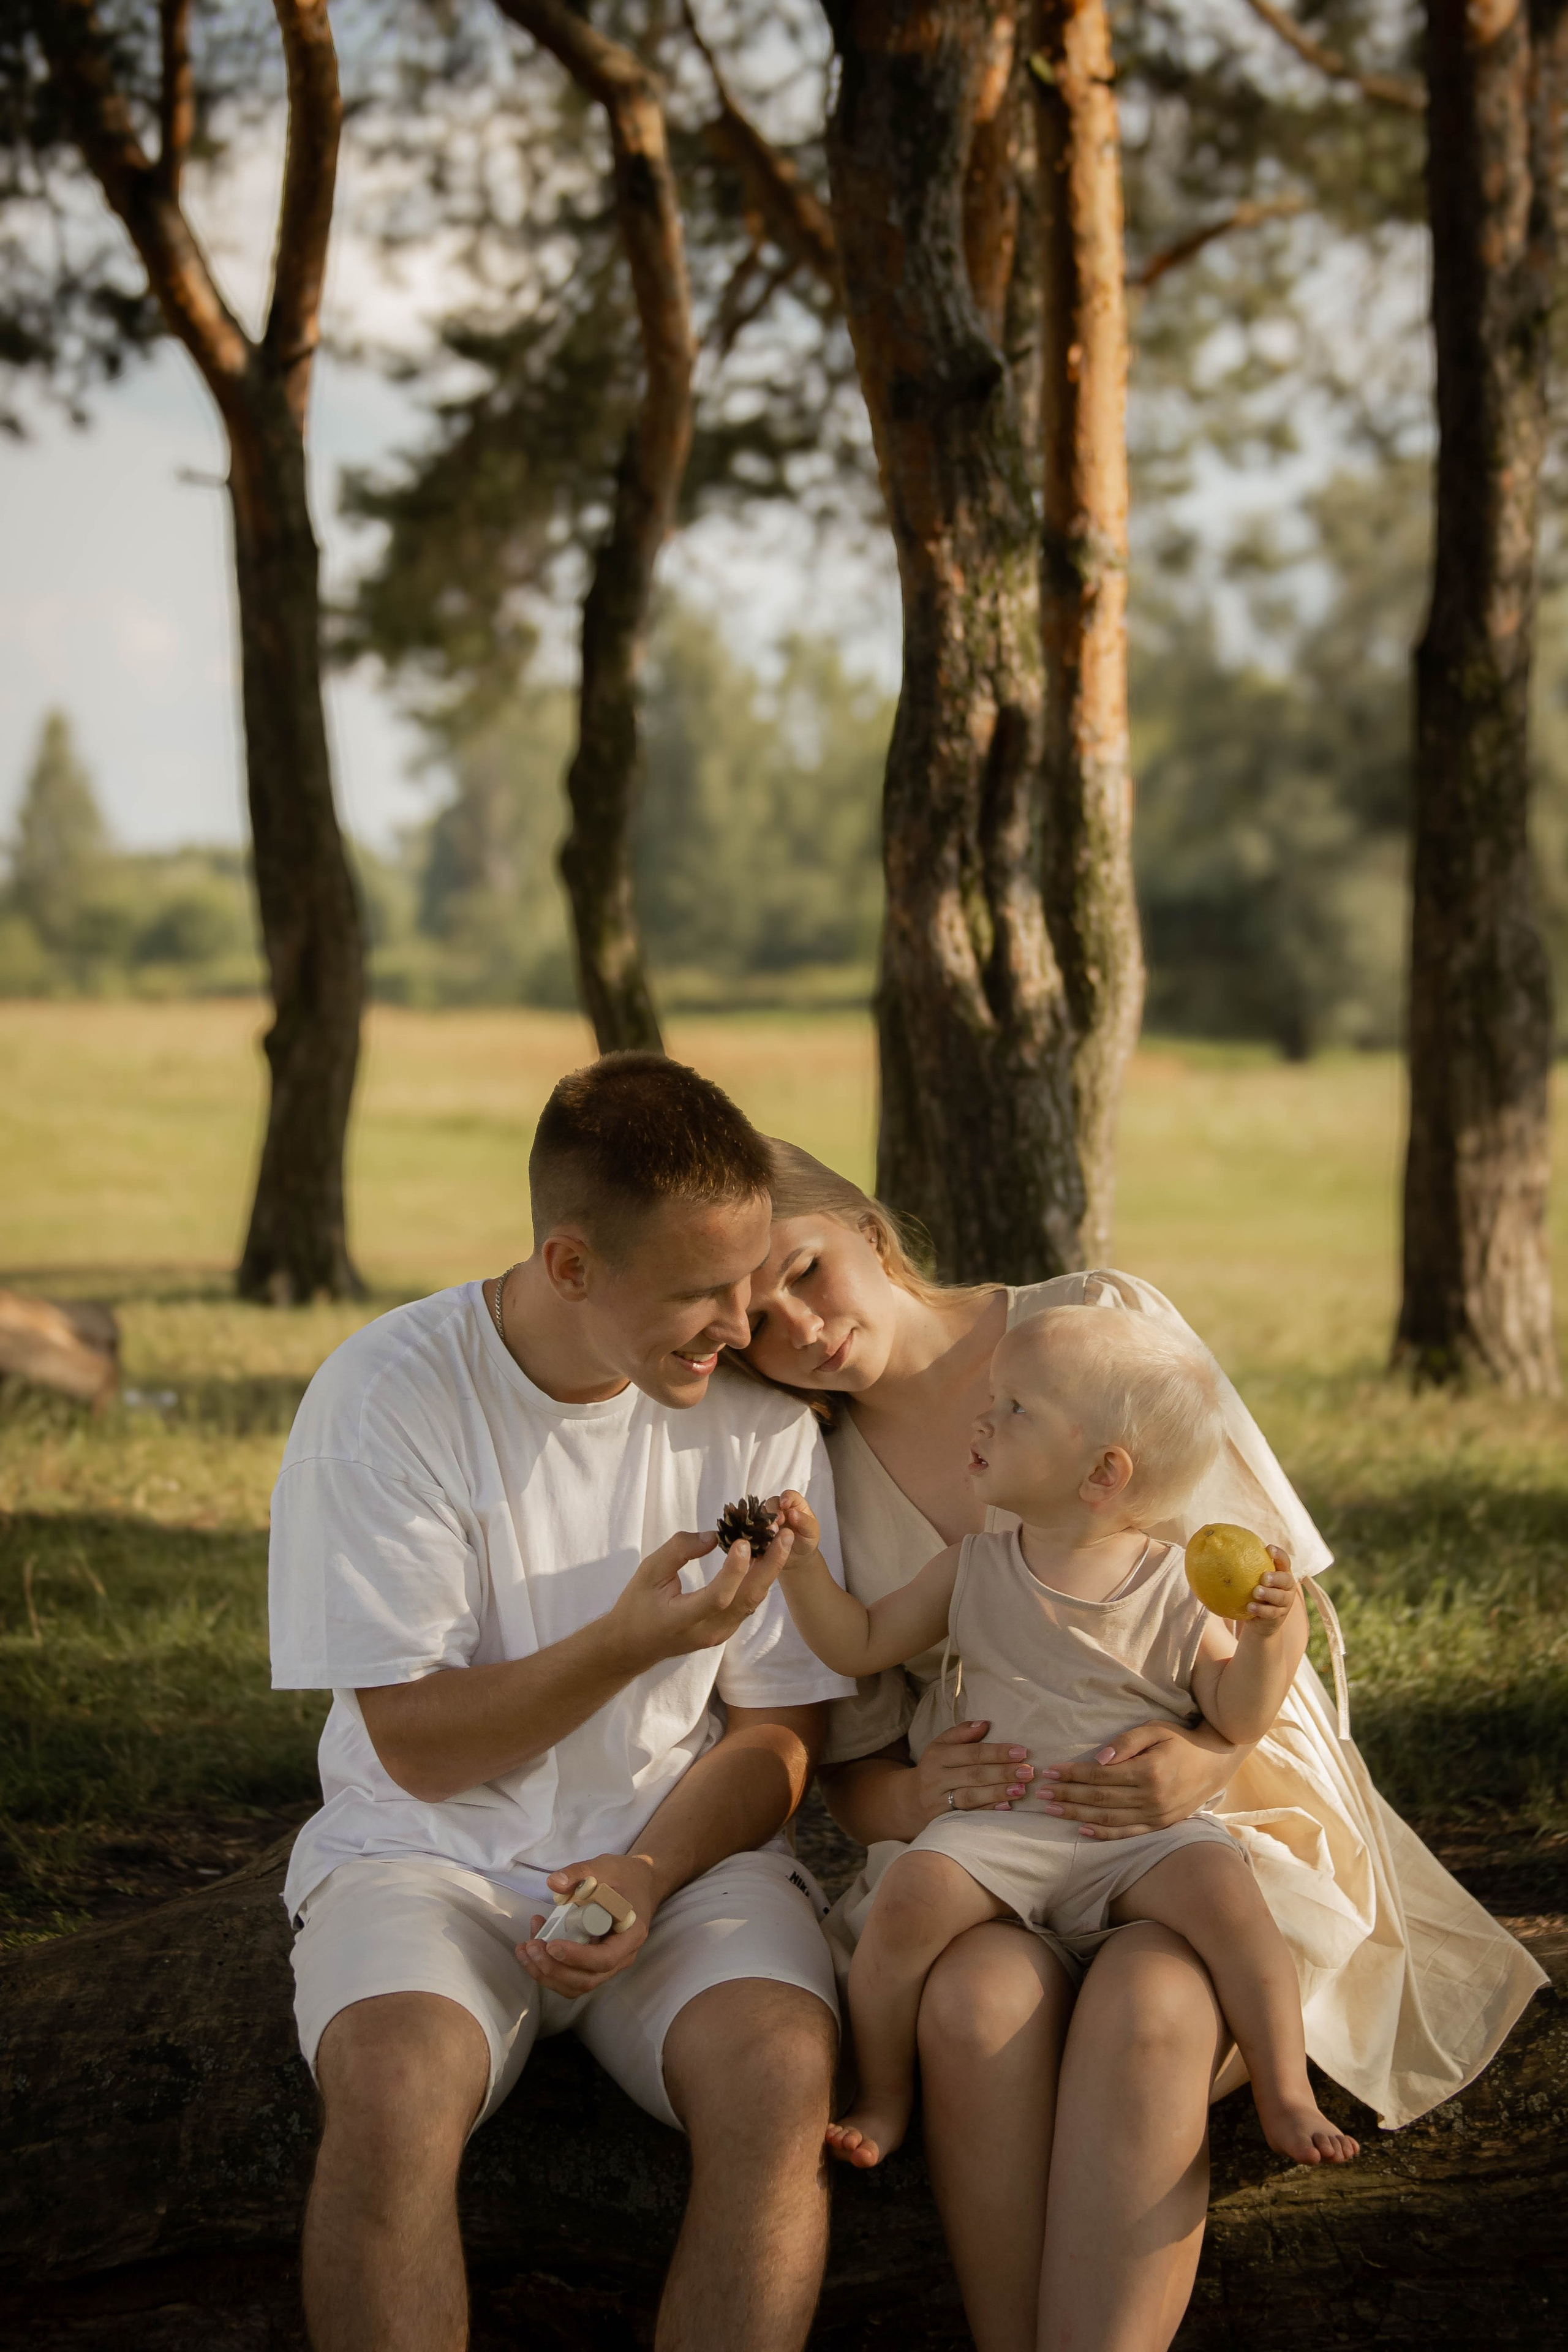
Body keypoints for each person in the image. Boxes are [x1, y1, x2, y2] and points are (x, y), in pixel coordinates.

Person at [736, 1139, 1547, 2352]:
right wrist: (915, 1796)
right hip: (996, 1847)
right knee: (967, 2003)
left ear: (864, 1224)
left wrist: (1204, 1761)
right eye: (751, 1319)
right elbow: (851, 1771)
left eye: (803, 1268)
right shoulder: (818, 1477)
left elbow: (1247, 1598)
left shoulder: (1094, 1328)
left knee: (1151, 2001)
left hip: (1208, 1804)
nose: (793, 1324)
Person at [268, 1055, 856, 2352]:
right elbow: (414, 1746)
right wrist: (623, 1645)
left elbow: (776, 1734)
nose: (737, 1323)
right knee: (392, 2084)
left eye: (747, 1281)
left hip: (679, 1863)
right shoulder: (388, 1396)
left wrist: (647, 1871)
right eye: (699, 1292)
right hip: (429, 1859)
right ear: (572, 1265)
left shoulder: (757, 1419)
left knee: (777, 2077)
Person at [771, 1308, 1359, 2172]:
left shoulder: (1177, 1585)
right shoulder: (971, 1567)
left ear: (1102, 1473)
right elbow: (856, 1642)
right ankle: (887, 2094)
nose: (983, 1420)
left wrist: (1277, 1639)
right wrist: (801, 1569)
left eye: (1014, 1409)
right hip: (1001, 1825)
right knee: (905, 1909)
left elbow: (1234, 1717)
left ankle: (1285, 2090)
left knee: (1232, 1903)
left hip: (1138, 1836)